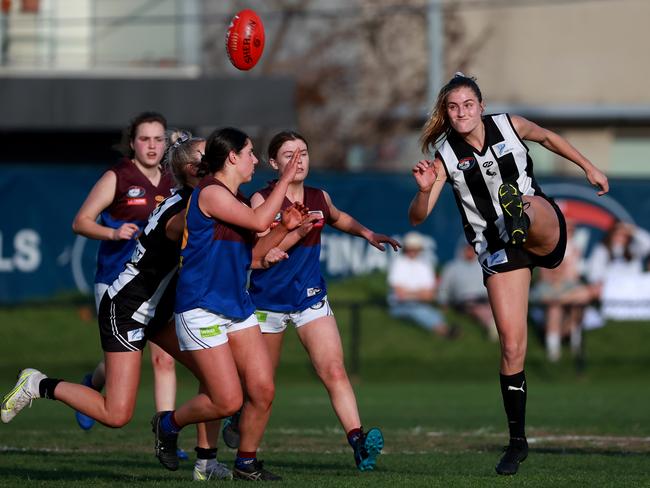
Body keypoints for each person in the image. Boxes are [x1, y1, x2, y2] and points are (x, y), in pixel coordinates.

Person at [408, 73, 608, 475]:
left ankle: (517, 211)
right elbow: (417, 218)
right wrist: (423, 188)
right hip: (498, 248)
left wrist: (589, 167)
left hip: (540, 227)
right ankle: (517, 442)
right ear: (446, 114)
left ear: (481, 106)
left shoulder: (509, 125)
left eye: (468, 104)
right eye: (453, 107)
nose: (462, 112)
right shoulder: (446, 155)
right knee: (512, 347)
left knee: (529, 206)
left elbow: (549, 138)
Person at [1, 132, 231, 480]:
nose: (216, 158)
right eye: (206, 156)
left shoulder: (197, 199)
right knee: (116, 414)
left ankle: (205, 463)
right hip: (127, 308)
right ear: (192, 169)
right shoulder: (187, 211)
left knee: (216, 383)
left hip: (159, 311)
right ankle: (37, 384)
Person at [223, 130, 400, 472]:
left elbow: (337, 217)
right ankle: (238, 421)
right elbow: (258, 254)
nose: (298, 159)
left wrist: (366, 233)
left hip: (309, 299)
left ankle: (358, 442)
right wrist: (296, 231)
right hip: (266, 305)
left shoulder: (319, 197)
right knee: (260, 389)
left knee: (334, 370)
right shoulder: (261, 201)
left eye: (303, 152)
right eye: (288, 154)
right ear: (274, 163)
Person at [154, 127, 307, 481]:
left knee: (263, 389)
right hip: (201, 306)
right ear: (233, 157)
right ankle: (167, 423)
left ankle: (246, 462)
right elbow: (256, 221)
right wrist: (284, 178)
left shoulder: (235, 200)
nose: (255, 159)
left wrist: (286, 227)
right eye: (250, 152)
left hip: (236, 305)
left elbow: (252, 254)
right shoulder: (209, 193)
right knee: (227, 401)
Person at [69, 112, 182, 447]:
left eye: (158, 139)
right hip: (116, 282)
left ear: (167, 142)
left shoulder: (173, 179)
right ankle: (93, 384)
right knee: (122, 357)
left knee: (164, 357)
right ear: (132, 142)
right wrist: (113, 231)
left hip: (157, 284)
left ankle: (166, 437)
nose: (152, 145)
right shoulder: (117, 176)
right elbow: (81, 222)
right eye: (144, 139)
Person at [387, 231, 457, 338]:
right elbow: (399, 295)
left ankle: (444, 330)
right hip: (399, 306)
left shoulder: (425, 265)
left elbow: (429, 295)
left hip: (419, 304)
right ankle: (444, 332)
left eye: (415, 248)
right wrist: (420, 294)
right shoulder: (399, 263)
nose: (413, 251)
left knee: (432, 313)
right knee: (419, 311)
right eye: (411, 248)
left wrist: (409, 293)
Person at [437, 242, 498, 341]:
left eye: (472, 249)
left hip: (484, 298)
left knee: (494, 307)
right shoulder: (452, 267)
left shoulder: (482, 265)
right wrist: (443, 301)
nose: (470, 252)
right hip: (464, 301)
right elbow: (443, 287)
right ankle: (492, 325)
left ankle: (500, 324)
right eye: (467, 249)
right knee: (479, 309)